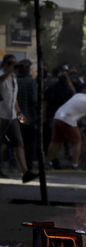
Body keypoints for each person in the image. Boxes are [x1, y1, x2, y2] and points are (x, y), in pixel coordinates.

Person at [0, 54, 38, 183]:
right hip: (1, 115)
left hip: (12, 116)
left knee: (18, 143)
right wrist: (8, 72)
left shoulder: (14, 78)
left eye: (14, 63)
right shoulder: (2, 74)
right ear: (4, 64)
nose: (12, 65)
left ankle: (25, 172)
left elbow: (13, 98)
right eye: (9, 62)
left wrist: (19, 112)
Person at [15, 59, 38, 172]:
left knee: (17, 142)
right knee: (29, 143)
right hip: (28, 118)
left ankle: (14, 163)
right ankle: (28, 165)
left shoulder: (14, 80)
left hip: (15, 116)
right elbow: (34, 100)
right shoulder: (31, 82)